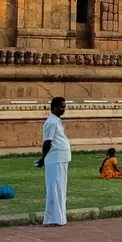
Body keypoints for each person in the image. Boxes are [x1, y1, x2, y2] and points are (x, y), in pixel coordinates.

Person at [36, 96, 70, 227]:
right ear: (54, 107)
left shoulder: (57, 121)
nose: (63, 109)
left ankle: (60, 217)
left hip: (61, 159)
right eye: (61, 106)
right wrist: (43, 158)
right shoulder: (51, 122)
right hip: (54, 159)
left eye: (64, 106)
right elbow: (48, 142)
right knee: (54, 188)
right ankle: (52, 218)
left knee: (60, 188)